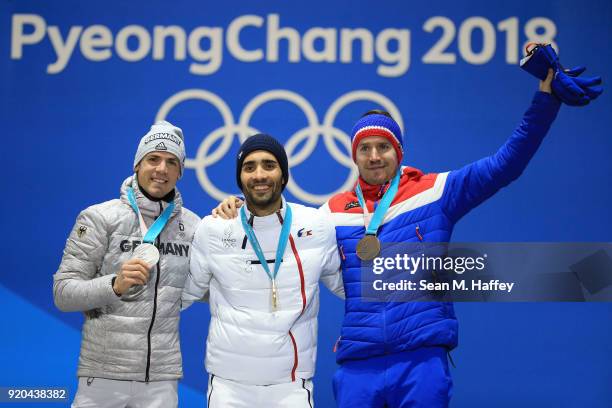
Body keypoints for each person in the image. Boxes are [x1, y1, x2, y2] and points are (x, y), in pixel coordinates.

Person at [213, 69, 586, 407]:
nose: (374, 156)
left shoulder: (436, 192)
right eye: (364, 148)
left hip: (420, 360)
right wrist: (235, 208)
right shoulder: (332, 213)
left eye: (383, 147)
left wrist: (545, 99)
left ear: (399, 151)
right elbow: (275, 232)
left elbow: (506, 163)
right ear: (354, 156)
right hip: (359, 365)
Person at [182, 133, 344, 407]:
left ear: (283, 175)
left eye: (269, 165)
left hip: (291, 387)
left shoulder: (316, 226)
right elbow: (185, 292)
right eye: (249, 167)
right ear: (240, 179)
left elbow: (349, 285)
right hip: (228, 387)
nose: (259, 174)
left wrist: (422, 276)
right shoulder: (214, 229)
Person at [53, 121, 200, 408]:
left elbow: (212, 285)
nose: (162, 169)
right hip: (103, 377)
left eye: (172, 162)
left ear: (180, 171)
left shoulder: (193, 227)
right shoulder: (99, 218)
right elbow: (63, 293)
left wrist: (234, 223)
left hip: (161, 380)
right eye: (153, 159)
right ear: (137, 164)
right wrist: (114, 285)